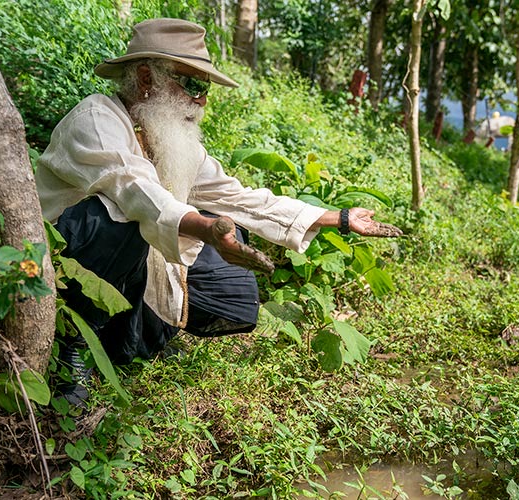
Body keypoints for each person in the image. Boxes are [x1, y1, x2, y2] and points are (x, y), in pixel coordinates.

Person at [34, 18, 402, 404]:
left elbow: (237, 197)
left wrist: (337, 218)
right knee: (119, 215)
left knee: (231, 285)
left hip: (121, 271)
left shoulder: (170, 139)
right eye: (193, 85)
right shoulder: (97, 119)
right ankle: (71, 347)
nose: (202, 100)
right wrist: (206, 229)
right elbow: (138, 193)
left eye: (205, 88)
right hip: (56, 266)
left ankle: (132, 337)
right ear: (146, 78)